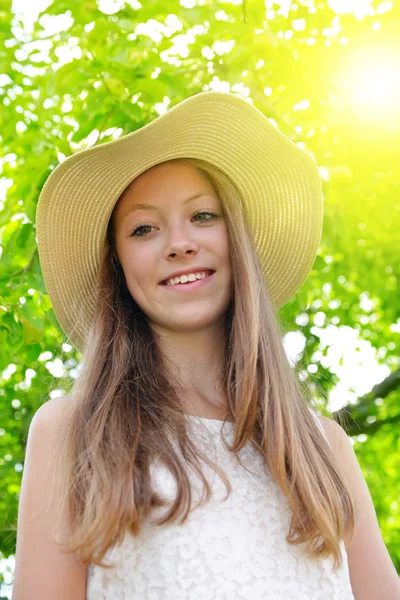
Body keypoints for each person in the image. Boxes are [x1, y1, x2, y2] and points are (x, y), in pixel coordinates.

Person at [12, 91, 400, 599]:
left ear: (237, 241)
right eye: (144, 228)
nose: (178, 243)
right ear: (119, 266)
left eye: (203, 216)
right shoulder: (75, 431)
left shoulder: (322, 445)